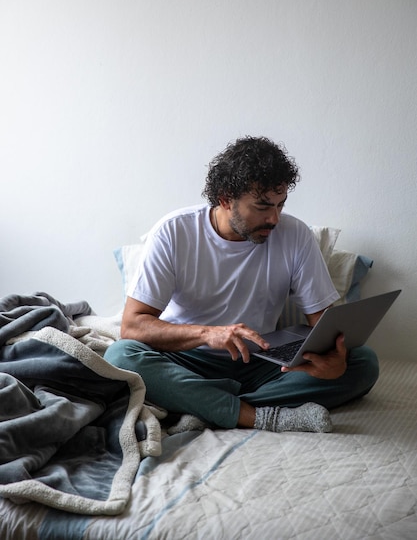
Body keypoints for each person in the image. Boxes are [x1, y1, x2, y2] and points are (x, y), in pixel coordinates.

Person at [105, 136, 379, 434]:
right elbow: (132, 326)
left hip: (260, 362)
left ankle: (203, 404)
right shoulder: (174, 232)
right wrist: (209, 334)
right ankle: (260, 416)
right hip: (187, 359)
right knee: (121, 356)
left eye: (280, 205)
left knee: (363, 362)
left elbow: (325, 325)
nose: (274, 218)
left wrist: (334, 360)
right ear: (225, 198)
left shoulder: (296, 236)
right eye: (262, 207)